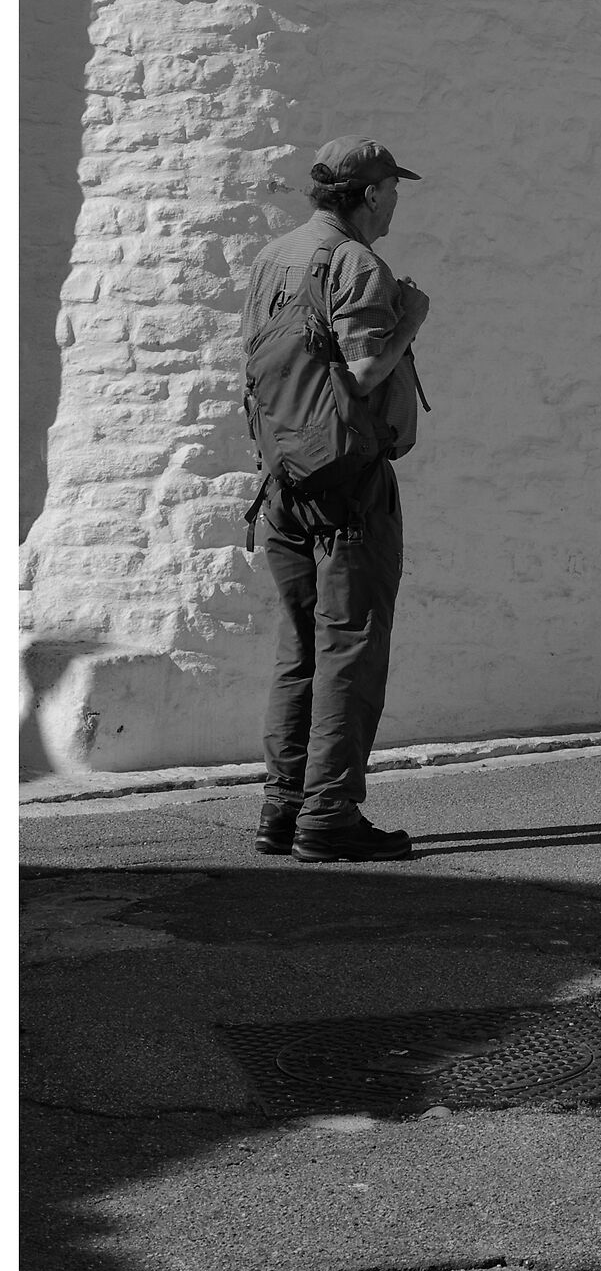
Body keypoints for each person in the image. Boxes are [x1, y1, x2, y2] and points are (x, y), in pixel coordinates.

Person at [241, 136, 431, 863]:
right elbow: (360, 371)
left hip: (283, 478)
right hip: (348, 484)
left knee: (299, 650)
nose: (396, 205)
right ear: (372, 193)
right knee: (350, 646)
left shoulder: (274, 257)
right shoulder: (356, 262)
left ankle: (282, 806)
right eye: (394, 191)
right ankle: (329, 816)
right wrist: (409, 317)